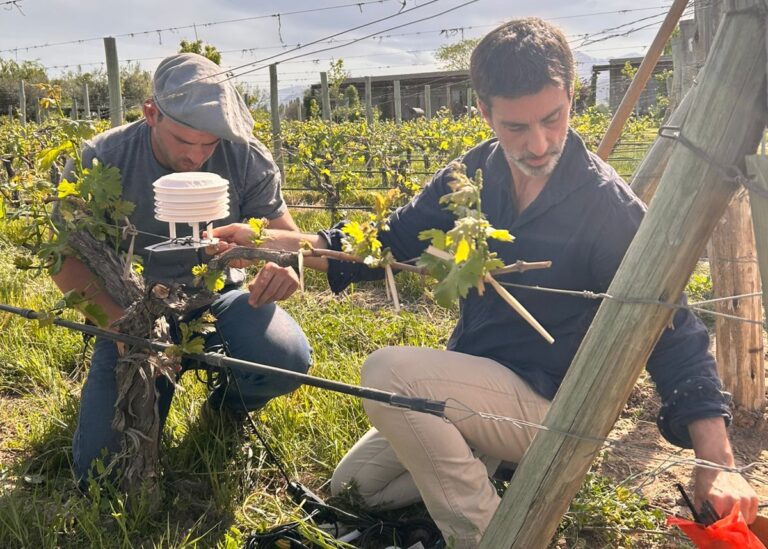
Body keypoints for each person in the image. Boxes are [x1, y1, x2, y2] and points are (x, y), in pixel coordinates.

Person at [211, 18, 757, 547]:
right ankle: (491, 467)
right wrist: (274, 244)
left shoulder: (605, 206)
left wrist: (719, 461)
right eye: (516, 127)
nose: (540, 143)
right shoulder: (472, 174)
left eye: (554, 118)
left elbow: (674, 328)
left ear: (572, 99)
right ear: (484, 113)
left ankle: (494, 535)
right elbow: (388, 241)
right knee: (358, 488)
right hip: (481, 387)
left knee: (389, 375)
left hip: (558, 408)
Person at [53, 53, 311, 484]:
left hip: (221, 297)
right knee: (104, 475)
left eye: (208, 145)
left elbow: (286, 236)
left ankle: (228, 405)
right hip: (131, 306)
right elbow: (63, 257)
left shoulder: (246, 157)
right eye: (184, 142)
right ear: (150, 113)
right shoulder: (101, 158)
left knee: (283, 358)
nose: (196, 157)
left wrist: (285, 265)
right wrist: (122, 326)